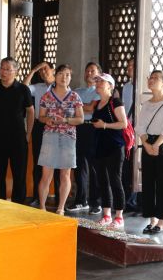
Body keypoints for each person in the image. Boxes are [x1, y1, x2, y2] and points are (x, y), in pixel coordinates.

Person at [0, 57, 34, 204]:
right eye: (1, 68)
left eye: (7, 69)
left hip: (18, 138)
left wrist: (28, 133)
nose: (3, 72)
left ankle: (19, 205)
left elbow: (30, 111)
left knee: (19, 175)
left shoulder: (23, 89)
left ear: (15, 71)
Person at [36, 64, 84, 215]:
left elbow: (81, 119)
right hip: (50, 136)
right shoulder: (47, 96)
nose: (64, 77)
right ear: (55, 76)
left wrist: (66, 120)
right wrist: (47, 120)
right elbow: (40, 116)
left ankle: (61, 208)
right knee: (46, 174)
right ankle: (42, 207)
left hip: (68, 137)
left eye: (68, 75)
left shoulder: (75, 96)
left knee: (65, 174)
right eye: (61, 74)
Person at [137, 69, 163, 233]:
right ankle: (151, 219)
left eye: (156, 78)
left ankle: (161, 221)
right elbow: (140, 127)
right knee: (148, 182)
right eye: (150, 77)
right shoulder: (146, 104)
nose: (151, 80)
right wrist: (147, 144)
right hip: (147, 143)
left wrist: (156, 145)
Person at [91, 73, 127, 228]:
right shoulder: (97, 103)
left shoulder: (115, 102)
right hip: (100, 147)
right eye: (97, 81)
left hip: (115, 147)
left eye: (102, 81)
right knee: (102, 181)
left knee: (115, 180)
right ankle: (106, 215)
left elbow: (123, 124)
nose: (98, 83)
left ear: (110, 86)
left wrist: (104, 125)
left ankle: (119, 216)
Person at [67, 62, 102, 214]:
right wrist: (82, 106)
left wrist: (78, 106)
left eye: (92, 71)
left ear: (99, 74)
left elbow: (91, 108)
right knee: (79, 166)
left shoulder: (99, 90)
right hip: (78, 128)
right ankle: (81, 200)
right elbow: (70, 107)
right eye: (87, 71)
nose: (89, 73)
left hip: (93, 128)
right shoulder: (77, 91)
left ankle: (96, 202)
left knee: (94, 167)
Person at [24, 61, 59, 206]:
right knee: (38, 161)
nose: (43, 72)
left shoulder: (60, 86)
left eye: (46, 69)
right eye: (41, 71)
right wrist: (33, 70)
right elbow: (24, 87)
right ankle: (37, 197)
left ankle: (59, 198)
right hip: (40, 126)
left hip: (57, 126)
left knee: (57, 163)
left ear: (53, 70)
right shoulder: (38, 87)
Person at [119, 59, 139, 213]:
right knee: (126, 165)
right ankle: (127, 199)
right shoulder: (126, 87)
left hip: (140, 131)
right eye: (129, 66)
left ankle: (135, 200)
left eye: (133, 65)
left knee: (136, 167)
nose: (130, 68)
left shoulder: (143, 87)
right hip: (127, 130)